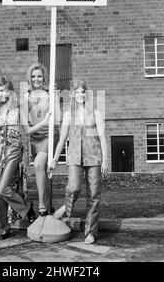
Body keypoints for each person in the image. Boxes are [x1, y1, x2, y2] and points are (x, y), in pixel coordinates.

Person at [0, 76, 42, 240]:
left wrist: (45, 122)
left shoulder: (18, 107)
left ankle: (27, 208)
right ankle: (4, 227)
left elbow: (27, 130)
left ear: (10, 90)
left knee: (4, 187)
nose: (3, 93)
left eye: (5, 89)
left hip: (14, 146)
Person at [49, 79, 108, 244]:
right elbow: (62, 140)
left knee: (94, 195)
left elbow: (103, 138)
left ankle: (90, 232)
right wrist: (54, 158)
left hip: (94, 158)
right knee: (73, 187)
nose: (80, 94)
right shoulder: (68, 115)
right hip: (74, 157)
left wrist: (105, 160)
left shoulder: (95, 114)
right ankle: (66, 209)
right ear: (72, 95)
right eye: (77, 91)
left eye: (83, 91)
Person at [21, 63, 60, 216]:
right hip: (35, 135)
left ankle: (42, 205)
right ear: (30, 78)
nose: (36, 79)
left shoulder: (50, 94)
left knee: (37, 165)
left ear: (44, 77)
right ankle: (50, 205)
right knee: (42, 170)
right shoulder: (26, 96)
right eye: (33, 76)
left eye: (39, 76)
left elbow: (58, 117)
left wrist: (56, 97)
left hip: (50, 134)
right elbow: (26, 124)